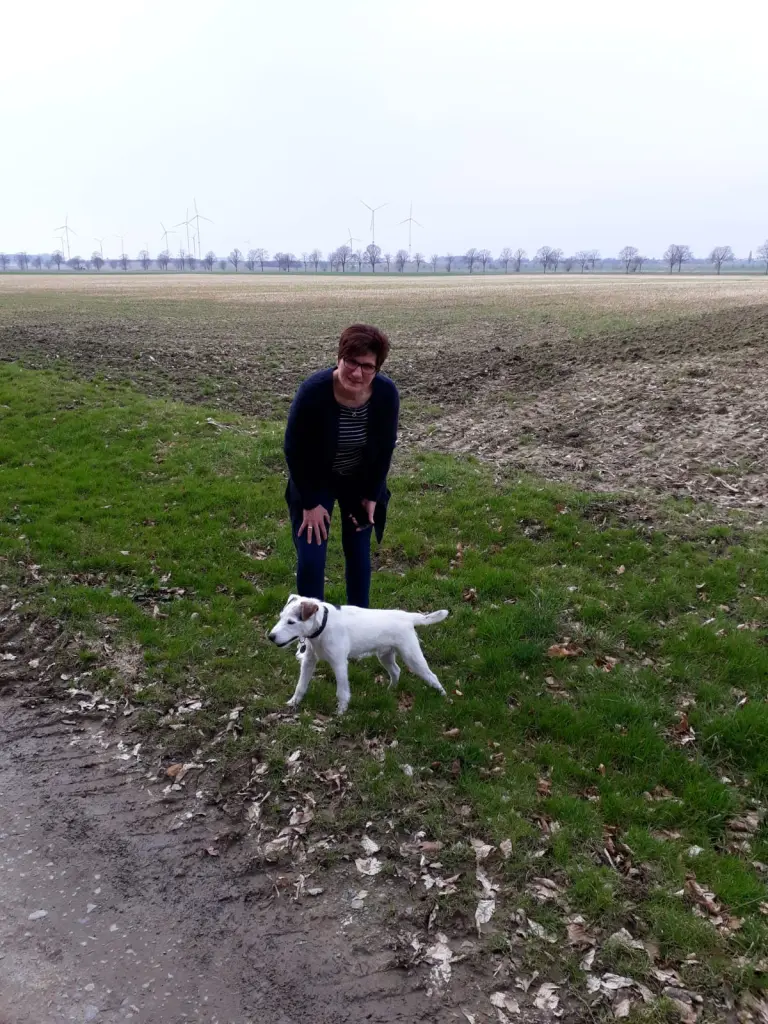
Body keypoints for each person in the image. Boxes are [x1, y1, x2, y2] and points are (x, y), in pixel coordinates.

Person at [283, 323, 399, 609]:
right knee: (311, 559)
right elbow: (294, 449)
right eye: (351, 361)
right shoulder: (313, 391)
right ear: (339, 357)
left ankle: (358, 628)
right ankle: (311, 634)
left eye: (367, 366)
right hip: (314, 482)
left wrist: (372, 495)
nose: (357, 372)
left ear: (377, 368)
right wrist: (310, 503)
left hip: (358, 482)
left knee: (359, 554)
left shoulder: (386, 394)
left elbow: (385, 448)